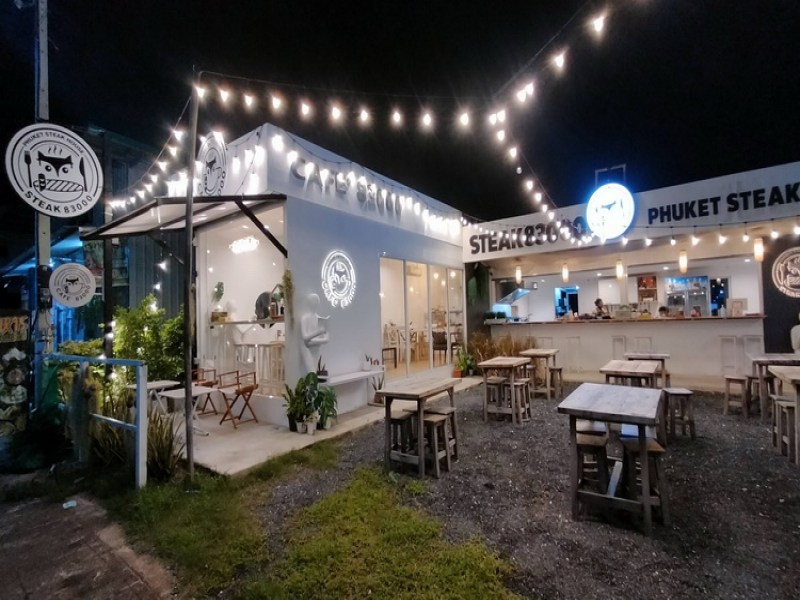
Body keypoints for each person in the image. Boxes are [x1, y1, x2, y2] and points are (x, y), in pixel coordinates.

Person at [300, 293, 330, 373]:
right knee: (311, 372)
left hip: (316, 348)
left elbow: (326, 339)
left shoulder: (319, 318)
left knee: (316, 372)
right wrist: (318, 332)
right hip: (308, 349)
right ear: (309, 302)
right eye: (313, 300)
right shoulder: (305, 318)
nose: (315, 302)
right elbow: (305, 337)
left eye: (316, 300)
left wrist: (313, 341)